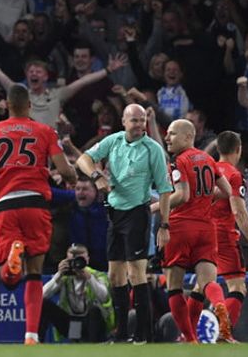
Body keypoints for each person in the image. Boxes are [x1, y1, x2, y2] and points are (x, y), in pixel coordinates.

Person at [0, 84, 78, 345]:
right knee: (35, 273)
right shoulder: (44, 132)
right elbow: (65, 171)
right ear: (29, 105)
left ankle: (13, 262)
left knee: (8, 279)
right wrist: (71, 179)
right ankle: (31, 335)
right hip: (36, 204)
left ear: (7, 105)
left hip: (6, 205)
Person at [76, 104, 172, 343]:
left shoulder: (153, 149)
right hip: (115, 214)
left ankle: (144, 335)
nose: (139, 125)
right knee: (115, 276)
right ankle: (122, 334)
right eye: (134, 121)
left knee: (136, 273)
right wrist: (97, 176)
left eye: (142, 120)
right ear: (124, 122)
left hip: (138, 214)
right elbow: (83, 159)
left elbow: (165, 190)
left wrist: (164, 224)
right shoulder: (114, 141)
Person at [187, 131, 248, 340]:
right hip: (223, 236)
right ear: (238, 149)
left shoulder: (206, 171)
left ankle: (188, 334)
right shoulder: (234, 175)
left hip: (200, 234)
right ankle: (223, 333)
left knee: (201, 285)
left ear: (218, 149)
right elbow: (239, 213)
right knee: (237, 287)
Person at [157, 119, 234, 343]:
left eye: (172, 134)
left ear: (188, 137)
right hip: (206, 227)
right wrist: (205, 200)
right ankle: (221, 312)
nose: (167, 138)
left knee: (174, 287)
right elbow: (227, 191)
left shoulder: (179, 161)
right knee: (208, 283)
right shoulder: (209, 159)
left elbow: (182, 195)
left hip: (181, 227)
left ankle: (190, 339)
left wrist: (155, 207)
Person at [40, 244, 112, 343]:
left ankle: (94, 347)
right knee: (43, 304)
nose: (76, 264)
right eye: (72, 261)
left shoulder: (97, 275)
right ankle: (38, 341)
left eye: (79, 260)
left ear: (87, 260)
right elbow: (41, 296)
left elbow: (104, 297)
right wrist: (59, 275)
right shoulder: (64, 277)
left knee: (94, 311)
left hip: (93, 324)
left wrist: (89, 278)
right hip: (72, 323)